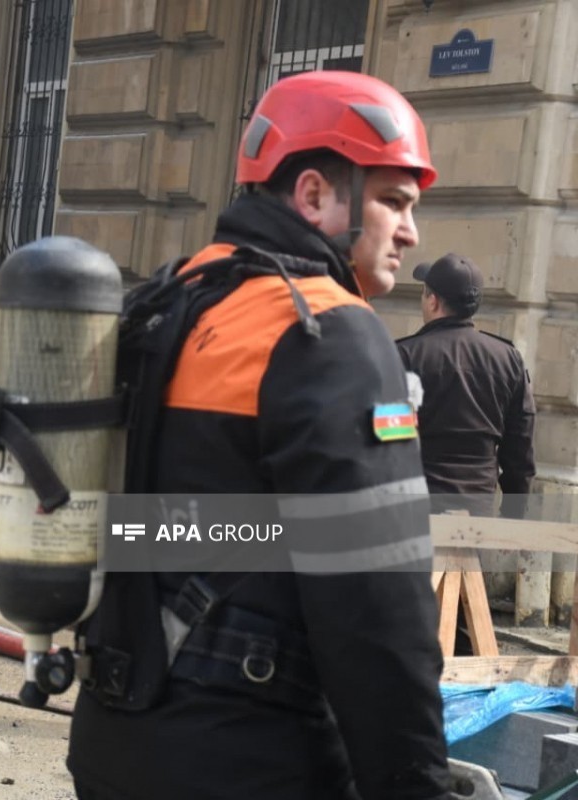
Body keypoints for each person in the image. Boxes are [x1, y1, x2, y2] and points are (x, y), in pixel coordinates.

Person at [68, 72, 450, 799]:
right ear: (314, 196)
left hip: (112, 744)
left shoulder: (165, 301)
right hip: (252, 760)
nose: (410, 232)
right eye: (393, 202)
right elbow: (377, 604)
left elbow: (167, 531)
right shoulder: (332, 334)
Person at [397, 253, 535, 517]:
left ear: (433, 301)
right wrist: (514, 518)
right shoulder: (508, 359)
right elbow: (520, 450)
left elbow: (384, 442)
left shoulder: (404, 356)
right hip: (477, 513)